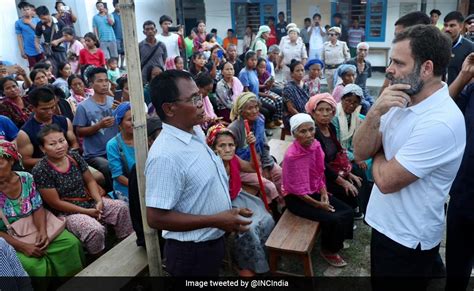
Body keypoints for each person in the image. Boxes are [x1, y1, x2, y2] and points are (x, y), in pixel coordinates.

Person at [353, 25, 465, 291]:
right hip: (385, 225)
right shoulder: (402, 97)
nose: (389, 68)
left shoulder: (441, 122)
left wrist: (377, 152)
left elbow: (386, 181)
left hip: (407, 240)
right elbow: (358, 151)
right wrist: (374, 113)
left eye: (398, 62)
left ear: (426, 68)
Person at [145, 70, 252, 276]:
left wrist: (227, 214)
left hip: (211, 244)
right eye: (193, 98)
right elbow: (156, 217)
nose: (201, 102)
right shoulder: (165, 155)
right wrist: (216, 220)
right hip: (191, 254)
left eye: (200, 96)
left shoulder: (195, 130)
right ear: (169, 108)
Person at [32, 124, 133, 256]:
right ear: (42, 148)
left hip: (89, 201)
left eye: (62, 141)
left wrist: (98, 201)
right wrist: (86, 212)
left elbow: (90, 180)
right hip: (67, 213)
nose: (59, 146)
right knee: (93, 229)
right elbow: (55, 203)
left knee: (121, 208)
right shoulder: (41, 170)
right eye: (52, 144)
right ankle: (100, 259)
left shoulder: (74, 156)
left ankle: (126, 248)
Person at [0, 140, 84, 278]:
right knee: (34, 267)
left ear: (11, 161)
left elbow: (38, 206)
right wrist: (23, 246)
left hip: (36, 225)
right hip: (9, 238)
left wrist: (42, 231)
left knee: (70, 244)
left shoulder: (26, 178)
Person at [283, 113, 354, 267]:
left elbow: (319, 171)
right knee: (333, 218)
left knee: (347, 211)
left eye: (311, 129)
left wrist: (323, 193)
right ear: (294, 134)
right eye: (303, 131)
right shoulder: (291, 156)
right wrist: (318, 204)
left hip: (314, 189)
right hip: (296, 198)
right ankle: (329, 250)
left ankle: (337, 240)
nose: (309, 135)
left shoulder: (315, 145)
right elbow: (296, 190)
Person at [206, 124, 275, 277]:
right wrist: (236, 211)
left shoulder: (234, 160)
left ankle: (265, 256)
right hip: (222, 205)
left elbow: (252, 167)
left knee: (267, 218)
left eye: (231, 145)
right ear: (213, 147)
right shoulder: (210, 168)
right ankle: (245, 264)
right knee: (248, 227)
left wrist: (253, 146)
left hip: (239, 197)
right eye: (222, 145)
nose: (227, 149)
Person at [306, 93, 363, 218]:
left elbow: (339, 151)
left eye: (328, 110)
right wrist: (342, 181)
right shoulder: (312, 134)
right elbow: (321, 165)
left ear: (333, 112)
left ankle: (358, 208)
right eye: (320, 110)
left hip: (334, 167)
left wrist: (347, 171)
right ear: (313, 113)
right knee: (346, 189)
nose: (325, 114)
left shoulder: (330, 126)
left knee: (359, 174)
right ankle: (350, 212)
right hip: (321, 174)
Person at [445, 52, 474, 291]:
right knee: (457, 265)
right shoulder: (472, 88)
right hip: (464, 191)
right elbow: (443, 107)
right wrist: (464, 76)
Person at [228, 92, 282, 212]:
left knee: (279, 173)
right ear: (241, 111)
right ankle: (273, 210)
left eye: (256, 107)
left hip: (259, 160)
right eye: (250, 108)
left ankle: (283, 201)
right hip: (243, 167)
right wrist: (256, 167)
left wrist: (267, 165)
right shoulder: (234, 129)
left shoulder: (260, 120)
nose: (254, 111)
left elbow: (264, 145)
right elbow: (231, 158)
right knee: (269, 186)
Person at [73, 67, 118, 193]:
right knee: (109, 167)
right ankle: (113, 195)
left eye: (106, 81)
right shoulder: (83, 107)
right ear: (91, 84)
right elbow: (79, 132)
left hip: (115, 149)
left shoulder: (113, 102)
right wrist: (99, 126)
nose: (104, 84)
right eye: (99, 81)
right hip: (95, 154)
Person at [17, 86, 78, 170]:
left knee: (98, 177)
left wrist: (67, 157)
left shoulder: (65, 121)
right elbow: (25, 161)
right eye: (44, 109)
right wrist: (53, 160)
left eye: (52, 107)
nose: (50, 112)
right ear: (32, 108)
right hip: (44, 170)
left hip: (69, 163)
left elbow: (74, 144)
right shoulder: (25, 133)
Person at [128, 117, 162, 247]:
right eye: (160, 138)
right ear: (149, 141)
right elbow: (139, 212)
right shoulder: (140, 170)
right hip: (153, 234)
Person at [378, 11, 431, 96]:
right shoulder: (397, 57)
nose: (395, 41)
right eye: (395, 36)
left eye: (400, 36)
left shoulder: (431, 65)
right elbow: (386, 86)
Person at [444, 11, 474, 85]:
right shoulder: (439, 45)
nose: (447, 29)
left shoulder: (470, 47)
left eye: (452, 26)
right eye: (446, 25)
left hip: (459, 94)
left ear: (461, 27)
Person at [34, 6, 67, 73]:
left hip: (60, 50)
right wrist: (37, 46)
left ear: (48, 14)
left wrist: (58, 41)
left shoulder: (59, 22)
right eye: (41, 18)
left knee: (63, 68)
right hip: (49, 52)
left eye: (44, 18)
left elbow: (67, 36)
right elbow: (37, 37)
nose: (42, 20)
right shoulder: (39, 25)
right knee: (52, 69)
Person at [345, 42, 373, 114]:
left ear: (368, 52)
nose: (362, 52)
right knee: (366, 105)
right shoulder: (350, 62)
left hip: (363, 90)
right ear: (356, 50)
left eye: (365, 50)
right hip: (352, 90)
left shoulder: (368, 64)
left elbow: (367, 78)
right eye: (360, 50)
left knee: (373, 103)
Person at [282, 60, 310, 129]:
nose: (300, 73)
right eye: (297, 71)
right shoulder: (288, 88)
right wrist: (303, 119)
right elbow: (291, 109)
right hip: (292, 117)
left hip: (305, 114)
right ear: (292, 74)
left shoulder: (305, 86)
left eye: (302, 70)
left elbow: (309, 102)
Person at [322, 26, 351, 93]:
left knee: (338, 88)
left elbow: (348, 57)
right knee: (331, 89)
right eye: (329, 34)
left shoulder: (342, 44)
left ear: (337, 35)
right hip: (328, 70)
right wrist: (322, 71)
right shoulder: (325, 45)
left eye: (332, 34)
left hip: (339, 70)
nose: (330, 36)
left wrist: (344, 68)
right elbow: (322, 59)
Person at [16, 2, 43, 69]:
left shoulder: (37, 20)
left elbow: (40, 31)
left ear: (31, 10)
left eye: (27, 9)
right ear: (21, 11)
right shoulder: (18, 22)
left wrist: (29, 23)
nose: (26, 11)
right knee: (33, 69)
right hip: (29, 50)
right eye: (24, 10)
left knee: (43, 67)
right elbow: (19, 38)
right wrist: (22, 51)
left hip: (40, 48)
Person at [257, 58, 283, 127]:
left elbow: (268, 88)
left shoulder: (266, 74)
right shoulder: (255, 75)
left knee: (279, 100)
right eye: (260, 67)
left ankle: (277, 118)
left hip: (266, 91)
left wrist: (270, 83)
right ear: (257, 67)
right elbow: (256, 90)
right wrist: (265, 87)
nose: (263, 69)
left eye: (264, 67)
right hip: (260, 94)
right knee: (272, 102)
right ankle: (270, 120)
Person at [112, 0, 125, 69]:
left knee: (123, 52)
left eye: (119, 5)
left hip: (124, 36)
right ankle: (116, 66)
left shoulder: (124, 14)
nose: (118, 7)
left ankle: (122, 65)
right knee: (117, 53)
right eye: (117, 5)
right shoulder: (112, 15)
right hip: (116, 37)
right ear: (114, 6)